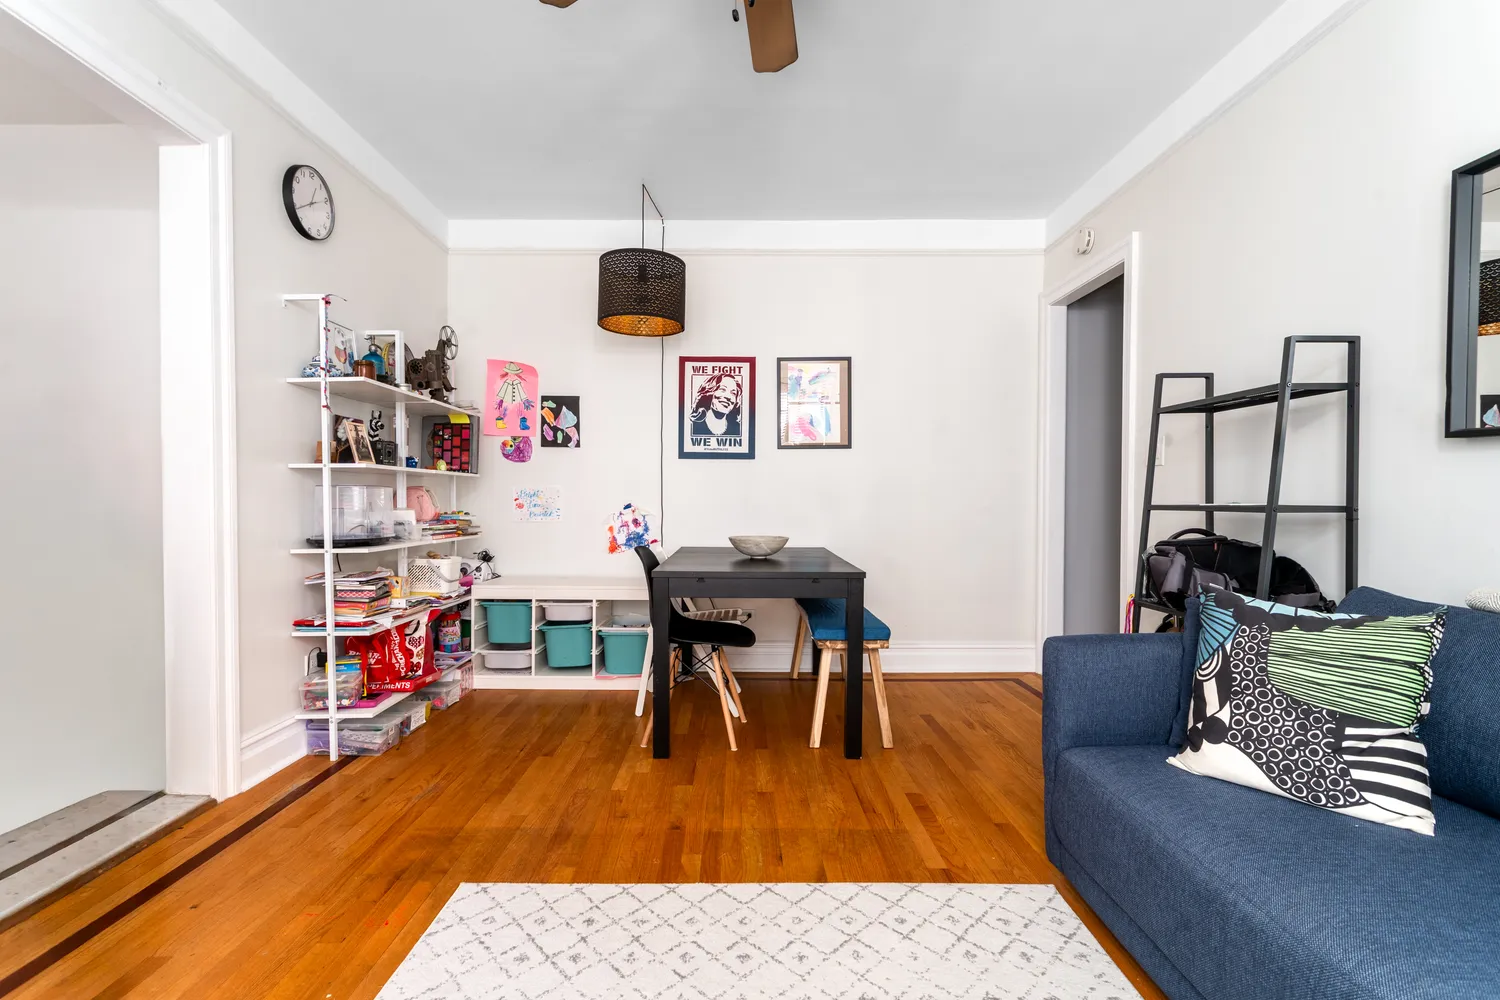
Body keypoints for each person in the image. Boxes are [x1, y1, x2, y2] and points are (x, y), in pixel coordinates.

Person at [690, 372, 742, 438]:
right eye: (722, 389)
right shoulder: (693, 427)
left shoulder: (737, 430)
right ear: (709, 392)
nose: (728, 397)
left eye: (733, 393)